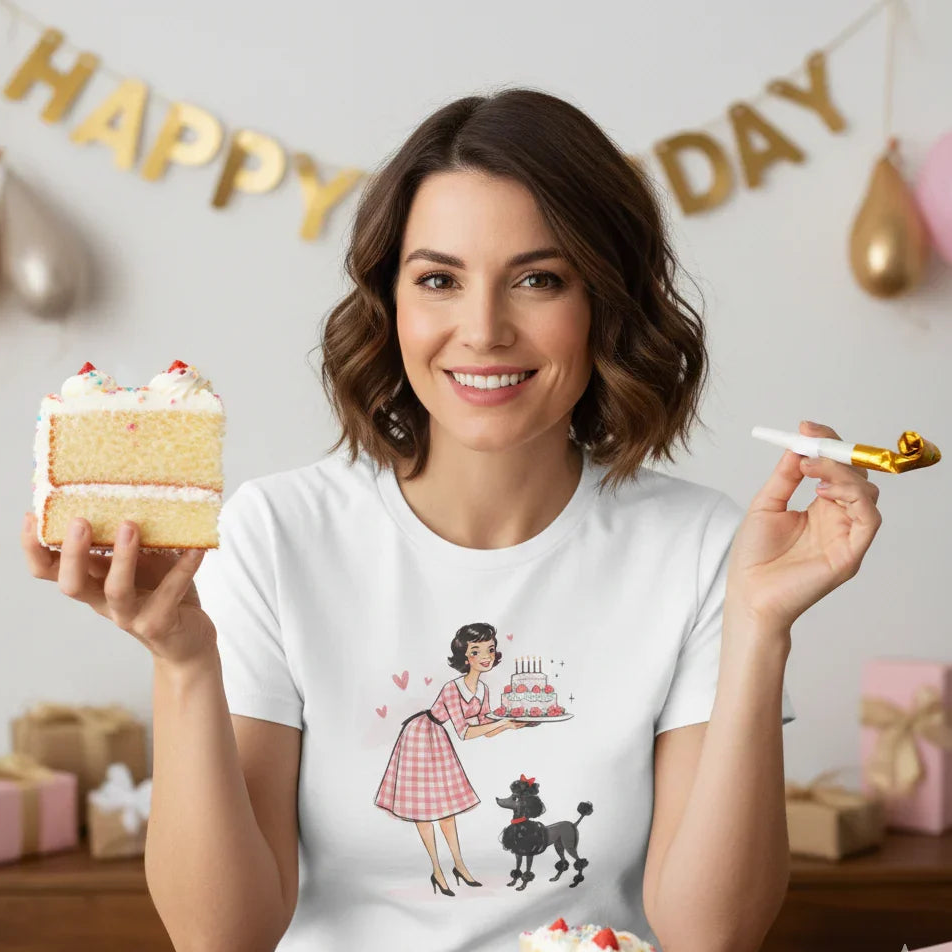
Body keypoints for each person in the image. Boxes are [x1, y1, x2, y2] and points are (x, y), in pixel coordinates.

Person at [21, 86, 882, 952]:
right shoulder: (277, 533)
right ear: (390, 303)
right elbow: (223, 936)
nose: (483, 329)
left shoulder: (699, 549)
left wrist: (763, 626)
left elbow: (712, 936)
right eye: (439, 279)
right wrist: (183, 664)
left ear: (607, 304)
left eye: (538, 280)